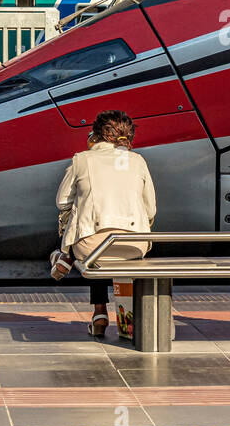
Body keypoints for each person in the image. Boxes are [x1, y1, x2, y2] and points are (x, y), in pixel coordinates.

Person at [50, 111, 155, 337]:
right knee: (109, 246)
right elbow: (151, 209)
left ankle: (98, 310)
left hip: (91, 245)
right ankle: (126, 323)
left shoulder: (82, 159)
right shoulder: (138, 161)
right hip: (133, 245)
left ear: (96, 134)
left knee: (94, 240)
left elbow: (61, 202)